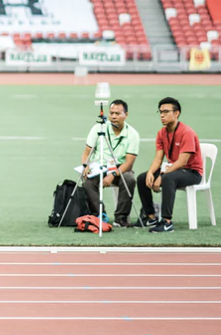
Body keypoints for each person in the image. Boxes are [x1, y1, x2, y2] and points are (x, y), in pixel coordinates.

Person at [136, 97, 203, 233]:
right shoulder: (162, 133)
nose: (162, 115)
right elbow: (158, 158)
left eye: (166, 112)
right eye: (160, 112)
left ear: (176, 113)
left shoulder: (186, 132)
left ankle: (167, 222)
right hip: (172, 170)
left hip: (192, 172)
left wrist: (162, 175)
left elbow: (182, 161)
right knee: (142, 178)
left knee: (167, 178)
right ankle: (151, 217)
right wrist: (150, 172)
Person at [79, 99, 140, 228]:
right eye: (111, 113)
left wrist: (112, 174)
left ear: (126, 115)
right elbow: (86, 153)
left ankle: (121, 217)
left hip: (120, 169)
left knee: (129, 179)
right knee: (88, 183)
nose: (113, 116)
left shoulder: (132, 134)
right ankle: (100, 215)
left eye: (117, 113)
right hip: (98, 168)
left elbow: (129, 164)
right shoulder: (98, 128)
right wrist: (86, 166)